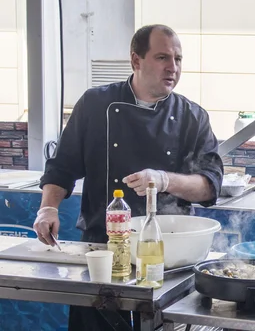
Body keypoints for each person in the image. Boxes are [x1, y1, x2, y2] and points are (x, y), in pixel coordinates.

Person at [32, 24, 223, 330]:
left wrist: (164, 180)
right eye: (162, 57)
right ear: (136, 60)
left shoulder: (192, 117)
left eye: (178, 59)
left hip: (167, 257)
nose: (172, 68)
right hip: (102, 251)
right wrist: (48, 207)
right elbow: (62, 166)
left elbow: (210, 184)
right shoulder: (95, 105)